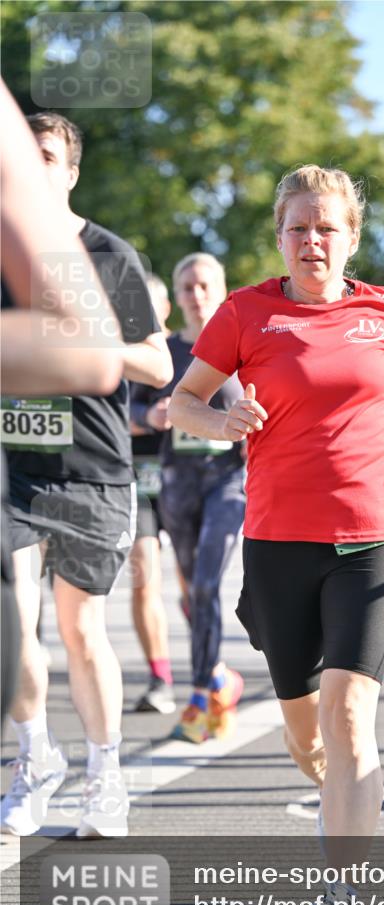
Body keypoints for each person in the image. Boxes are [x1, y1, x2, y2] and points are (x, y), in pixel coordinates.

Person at [167, 165, 384, 905]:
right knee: (309, 736)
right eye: (297, 227)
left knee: (350, 712)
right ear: (279, 236)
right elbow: (181, 401)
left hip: (374, 533)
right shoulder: (244, 312)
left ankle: (340, 902)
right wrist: (221, 414)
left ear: (351, 238)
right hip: (277, 543)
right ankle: (341, 803)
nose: (312, 241)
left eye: (326, 227)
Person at [1, 110, 172, 840]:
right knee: (13, 628)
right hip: (12, 468)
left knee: (79, 629)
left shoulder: (109, 254)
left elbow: (161, 365)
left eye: (47, 156)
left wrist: (90, 333)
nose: (33, 167)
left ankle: (105, 773)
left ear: (69, 171)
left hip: (94, 470)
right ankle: (35, 755)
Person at [132, 253, 245, 742]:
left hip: (227, 481)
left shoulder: (242, 344)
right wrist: (150, 418)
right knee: (192, 593)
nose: (196, 295)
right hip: (176, 484)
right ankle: (219, 678)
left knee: (204, 584)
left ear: (220, 290)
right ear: (176, 297)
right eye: (187, 288)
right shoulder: (164, 352)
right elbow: (129, 405)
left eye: (204, 286)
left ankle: (200, 693)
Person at [129, 273, 177, 714]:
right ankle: (159, 676)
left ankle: (208, 667)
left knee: (192, 582)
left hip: (187, 477)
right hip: (137, 479)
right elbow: (106, 412)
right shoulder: (118, 352)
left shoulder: (185, 350)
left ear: (164, 309)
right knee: (144, 574)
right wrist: (148, 416)